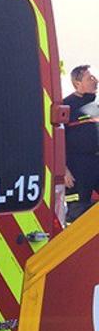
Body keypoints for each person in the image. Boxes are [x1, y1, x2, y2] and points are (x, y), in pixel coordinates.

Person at [63, 64, 99, 221]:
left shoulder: (96, 106)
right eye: (89, 78)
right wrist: (63, 170)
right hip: (76, 172)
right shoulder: (66, 106)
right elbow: (56, 139)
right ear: (78, 83)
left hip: (95, 165)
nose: (95, 80)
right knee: (77, 215)